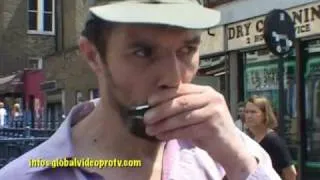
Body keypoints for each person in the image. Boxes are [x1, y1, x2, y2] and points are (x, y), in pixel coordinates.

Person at [0, 0, 280, 179]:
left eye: (187, 49)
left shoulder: (236, 153)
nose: (172, 78)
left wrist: (239, 164)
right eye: (143, 52)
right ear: (93, 56)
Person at [244, 95, 297, 180]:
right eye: (246, 112)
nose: (249, 116)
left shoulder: (272, 140)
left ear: (265, 115)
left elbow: (291, 172)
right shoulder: (252, 139)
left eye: (253, 112)